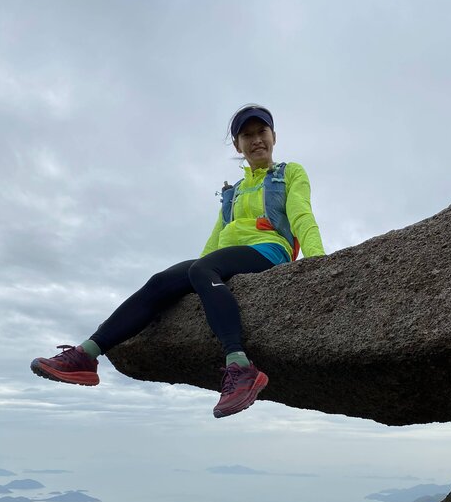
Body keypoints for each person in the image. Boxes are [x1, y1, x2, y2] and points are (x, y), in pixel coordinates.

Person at [30, 104, 326, 418]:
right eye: (247, 135)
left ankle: (241, 367)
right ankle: (86, 355)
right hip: (227, 257)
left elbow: (302, 216)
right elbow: (217, 238)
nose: (256, 140)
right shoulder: (234, 191)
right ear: (237, 146)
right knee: (161, 282)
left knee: (202, 268)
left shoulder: (289, 173)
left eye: (261, 132)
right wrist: (197, 281)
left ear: (274, 136)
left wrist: (318, 262)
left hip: (269, 251)